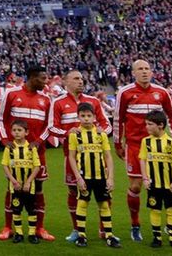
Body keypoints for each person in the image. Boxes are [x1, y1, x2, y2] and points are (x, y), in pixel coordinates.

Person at [116, 59, 172, 242]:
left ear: (152, 72)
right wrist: (118, 143)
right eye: (140, 69)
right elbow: (118, 119)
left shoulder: (162, 92)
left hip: (160, 147)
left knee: (170, 187)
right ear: (133, 73)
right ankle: (135, 224)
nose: (144, 72)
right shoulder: (125, 93)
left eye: (147, 69)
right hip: (135, 146)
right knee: (136, 186)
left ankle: (171, 225)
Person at [0, 63, 55, 242]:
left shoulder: (46, 100)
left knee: (38, 189)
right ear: (32, 77)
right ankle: (8, 227)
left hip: (37, 152)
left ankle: (39, 227)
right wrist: (5, 140)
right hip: (15, 152)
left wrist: (38, 142)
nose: (45, 83)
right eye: (42, 79)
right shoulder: (11, 94)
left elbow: (49, 125)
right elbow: (0, 119)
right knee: (12, 188)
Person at [49, 71, 110, 241]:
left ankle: (104, 229)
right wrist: (67, 132)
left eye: (82, 79)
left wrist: (102, 132)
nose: (80, 81)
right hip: (73, 157)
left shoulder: (93, 101)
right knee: (73, 190)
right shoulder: (58, 102)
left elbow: (107, 124)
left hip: (96, 157)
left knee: (102, 192)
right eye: (76, 79)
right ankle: (77, 229)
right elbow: (52, 127)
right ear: (65, 82)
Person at [67, 102, 120, 248]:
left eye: (89, 116)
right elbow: (71, 156)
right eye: (82, 116)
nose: (85, 119)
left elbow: (108, 156)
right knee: (82, 203)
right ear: (78, 117)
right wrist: (78, 177)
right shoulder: (75, 135)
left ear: (94, 117)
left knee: (104, 204)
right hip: (84, 177)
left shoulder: (101, 134)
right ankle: (82, 235)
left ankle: (109, 235)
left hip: (100, 176)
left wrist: (110, 178)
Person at [139, 109, 172, 249]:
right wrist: (145, 179)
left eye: (150, 124)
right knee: (155, 210)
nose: (147, 127)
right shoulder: (146, 142)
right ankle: (157, 238)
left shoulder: (171, 143)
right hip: (153, 184)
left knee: (171, 210)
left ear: (161, 125)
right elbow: (142, 160)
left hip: (169, 184)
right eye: (146, 124)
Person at [2, 119, 42, 245]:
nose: (17, 133)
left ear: (26, 132)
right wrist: (13, 181)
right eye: (14, 130)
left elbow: (37, 166)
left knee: (31, 210)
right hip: (15, 186)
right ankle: (18, 233)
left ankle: (31, 233)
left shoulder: (31, 148)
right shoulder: (10, 148)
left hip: (29, 186)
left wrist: (29, 182)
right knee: (16, 210)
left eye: (19, 130)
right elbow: (5, 166)